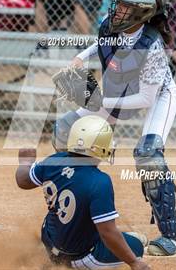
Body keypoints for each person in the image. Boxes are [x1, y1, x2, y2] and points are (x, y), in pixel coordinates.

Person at [54, 0, 176, 256]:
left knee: (148, 153)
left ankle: (174, 236)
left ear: (140, 12)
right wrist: (80, 57)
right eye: (119, 4)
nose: (117, 10)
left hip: (157, 95)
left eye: (125, 7)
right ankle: (75, 212)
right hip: (120, 89)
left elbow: (145, 99)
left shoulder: (151, 45)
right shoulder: (112, 23)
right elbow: (99, 44)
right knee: (66, 128)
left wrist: (101, 100)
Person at [16, 115, 150, 269]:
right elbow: (107, 233)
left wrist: (25, 162)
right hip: (80, 257)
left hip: (50, 243)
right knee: (136, 246)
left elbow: (24, 181)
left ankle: (49, 255)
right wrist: (134, 262)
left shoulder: (55, 159)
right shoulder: (100, 181)